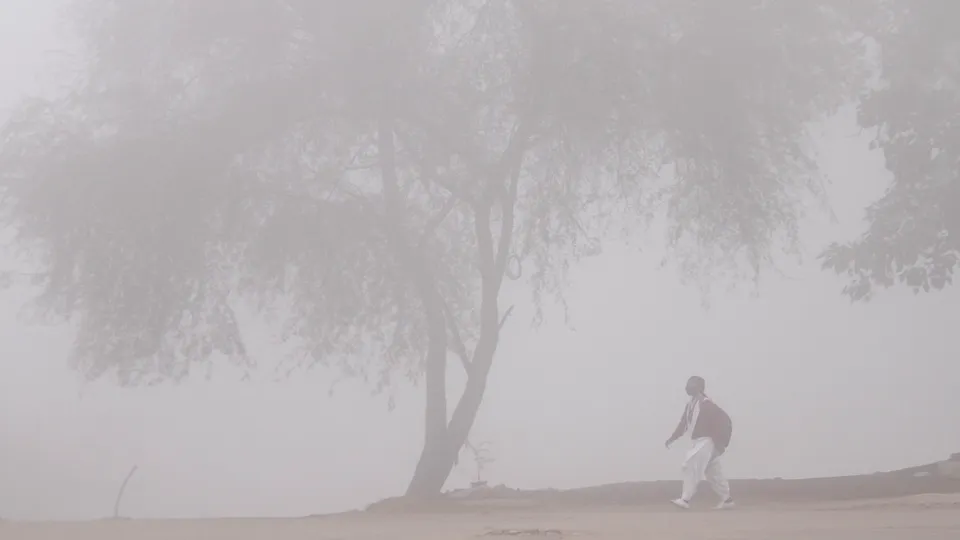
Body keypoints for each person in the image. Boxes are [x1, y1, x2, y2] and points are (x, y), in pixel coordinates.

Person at [664, 376, 735, 509]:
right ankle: (727, 500)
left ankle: (685, 499)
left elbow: (724, 422)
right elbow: (683, 425)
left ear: (699, 387)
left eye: (692, 384)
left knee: (691, 464)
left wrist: (721, 443)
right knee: (713, 473)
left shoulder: (706, 404)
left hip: (707, 441)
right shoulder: (691, 405)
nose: (689, 386)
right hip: (699, 442)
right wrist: (672, 438)